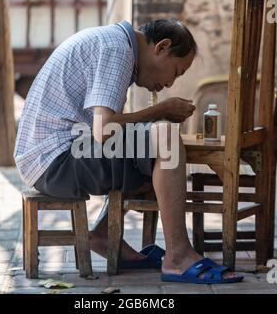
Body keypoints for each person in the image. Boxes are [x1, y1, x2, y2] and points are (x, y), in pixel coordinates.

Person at [14, 18, 243, 284]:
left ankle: (101, 234)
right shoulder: (117, 49)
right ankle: (178, 257)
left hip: (48, 157)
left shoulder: (113, 42)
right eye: (176, 71)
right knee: (165, 137)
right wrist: (161, 110)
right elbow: (105, 128)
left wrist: (153, 120)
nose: (169, 83)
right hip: (55, 159)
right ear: (162, 47)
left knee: (149, 151)